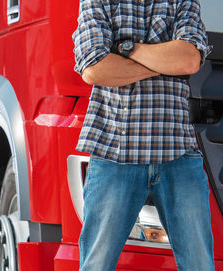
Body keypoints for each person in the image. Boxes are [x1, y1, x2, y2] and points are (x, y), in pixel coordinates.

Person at [72, 0, 215, 270]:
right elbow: (94, 68)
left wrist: (127, 49)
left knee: (200, 265)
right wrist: (164, 65)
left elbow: (188, 59)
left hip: (178, 155)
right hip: (114, 154)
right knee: (96, 265)